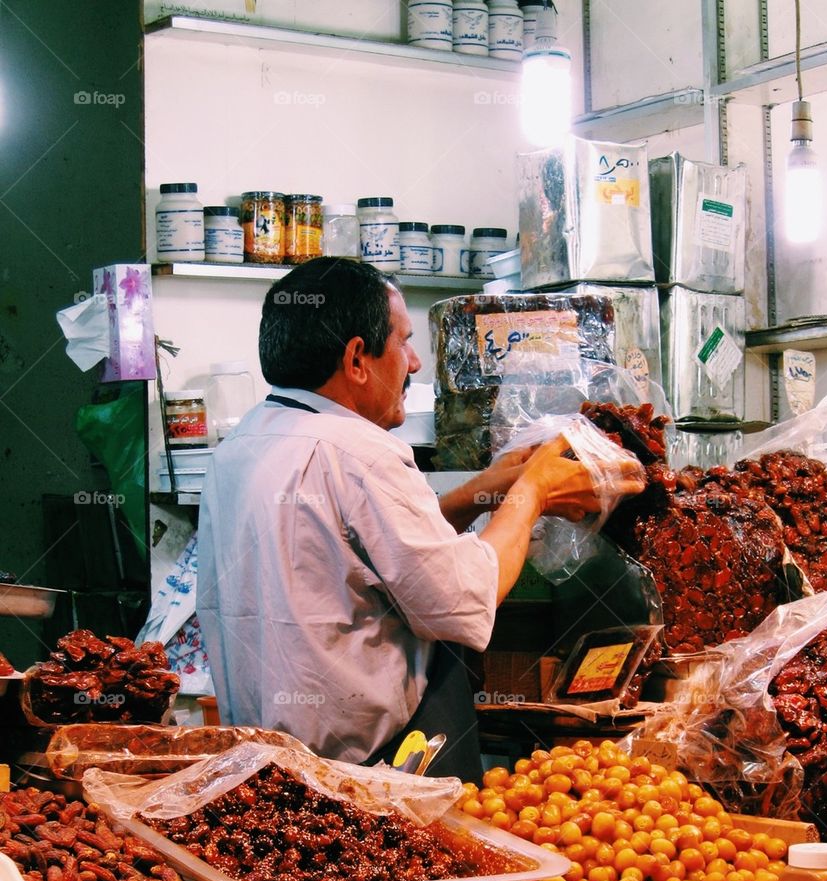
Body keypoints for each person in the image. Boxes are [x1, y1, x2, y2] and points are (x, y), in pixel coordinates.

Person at [197, 257, 643, 779]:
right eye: (404, 342)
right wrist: (534, 491)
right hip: (365, 774)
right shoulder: (362, 452)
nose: (413, 363)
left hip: (264, 767)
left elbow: (374, 558)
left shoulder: (245, 442)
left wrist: (481, 493)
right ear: (358, 359)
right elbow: (460, 599)